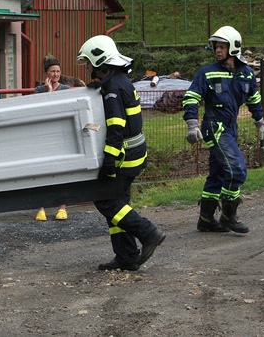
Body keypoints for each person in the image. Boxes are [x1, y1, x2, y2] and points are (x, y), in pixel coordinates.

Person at [77, 35, 166, 271]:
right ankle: (126, 256)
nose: (87, 68)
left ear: (100, 61)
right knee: (119, 203)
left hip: (125, 156)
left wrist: (109, 160)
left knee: (106, 200)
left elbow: (116, 126)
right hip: (136, 152)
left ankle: (148, 233)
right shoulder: (118, 82)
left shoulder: (113, 88)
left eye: (89, 63)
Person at [183, 26, 264, 234]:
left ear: (234, 47)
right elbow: (191, 98)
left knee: (219, 173)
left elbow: (254, 99)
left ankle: (206, 219)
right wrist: (192, 124)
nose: (217, 51)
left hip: (231, 126)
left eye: (222, 46)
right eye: (216, 47)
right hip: (214, 126)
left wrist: (260, 122)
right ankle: (229, 216)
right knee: (236, 169)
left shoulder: (247, 74)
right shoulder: (207, 72)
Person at [34, 55, 71, 221]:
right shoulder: (39, 91)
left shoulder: (65, 90)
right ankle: (41, 208)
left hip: (62, 135)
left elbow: (64, 110)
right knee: (42, 171)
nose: (55, 74)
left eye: (58, 71)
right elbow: (42, 111)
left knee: (62, 172)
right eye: (52, 71)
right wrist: (48, 92)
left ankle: (62, 207)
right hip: (43, 135)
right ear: (46, 73)